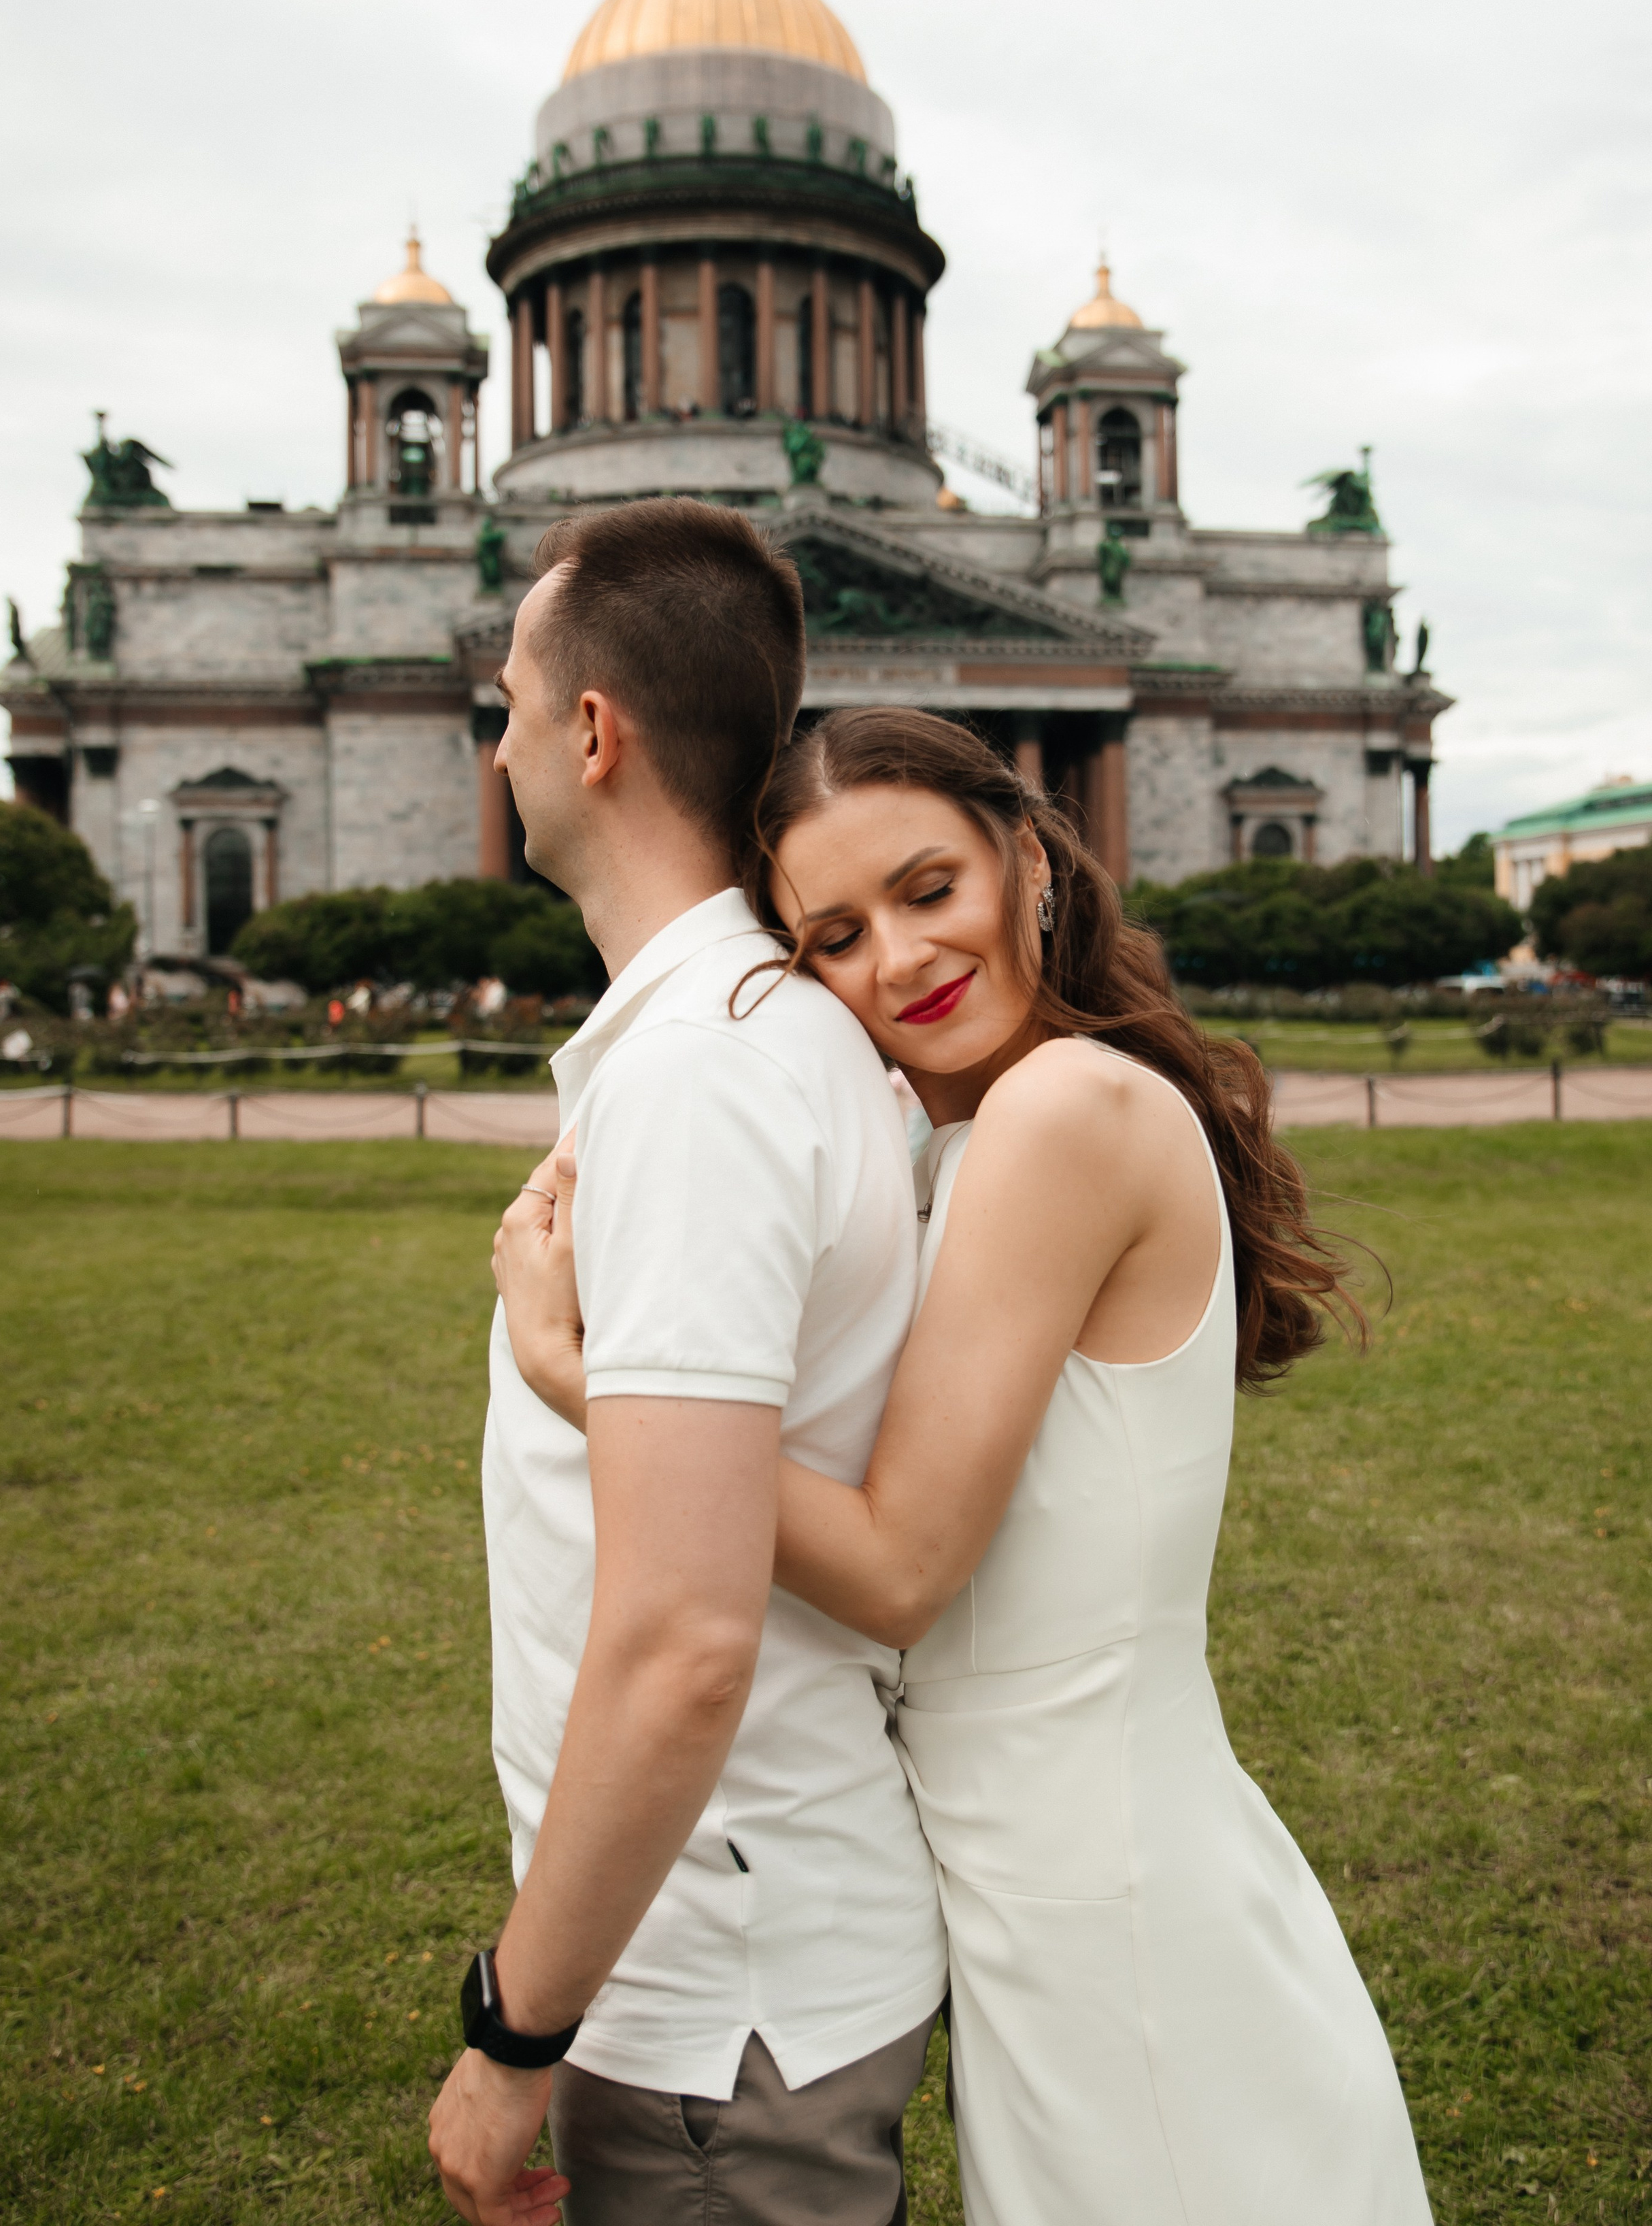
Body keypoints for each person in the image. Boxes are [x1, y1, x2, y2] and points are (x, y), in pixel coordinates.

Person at [499, 708, 1436, 2226]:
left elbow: (901, 1569)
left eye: (930, 889)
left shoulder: (1062, 1112)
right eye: (834, 937)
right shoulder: (981, 1129)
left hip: (1103, 1890)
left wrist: (589, 1383)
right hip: (1044, 1878)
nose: (899, 959)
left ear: (1029, 863)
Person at [428, 511, 946, 2226]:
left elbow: (682, 1643)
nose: (495, 747)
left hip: (718, 1999)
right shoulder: (742, 1037)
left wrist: (514, 2028)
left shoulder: (700, 1078)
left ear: (591, 732)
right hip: (732, 1955)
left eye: (509, 706)